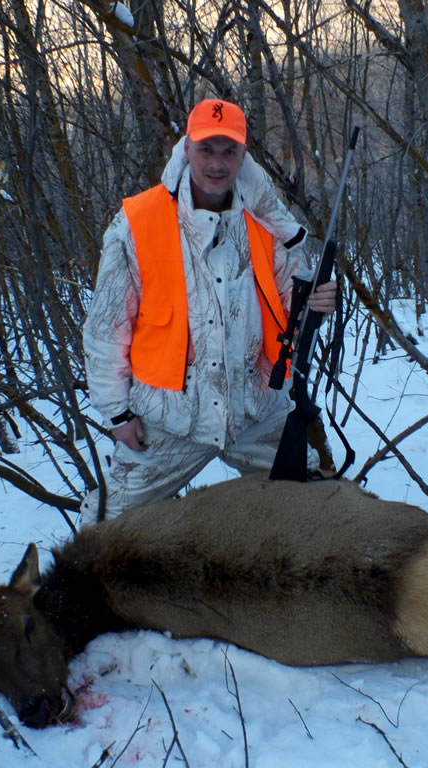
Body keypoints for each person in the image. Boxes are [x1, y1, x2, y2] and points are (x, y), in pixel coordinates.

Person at [80, 98, 337, 522]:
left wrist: (316, 303)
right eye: (206, 149)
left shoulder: (268, 222)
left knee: (312, 511)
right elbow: (107, 327)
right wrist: (117, 413)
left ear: (243, 155)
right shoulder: (137, 222)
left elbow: (293, 307)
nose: (217, 163)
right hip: (169, 419)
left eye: (229, 151)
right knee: (107, 524)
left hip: (256, 408)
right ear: (187, 149)